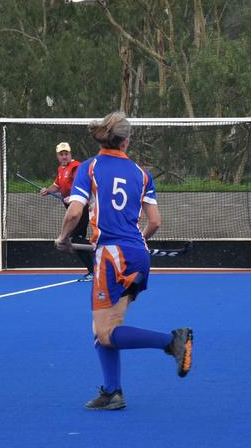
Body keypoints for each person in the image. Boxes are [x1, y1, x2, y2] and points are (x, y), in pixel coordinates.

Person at [55, 111, 192, 411]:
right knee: (104, 327)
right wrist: (136, 241)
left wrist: (64, 238)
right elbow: (154, 222)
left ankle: (172, 341)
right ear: (126, 141)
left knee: (105, 332)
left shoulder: (89, 167)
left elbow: (75, 212)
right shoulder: (142, 174)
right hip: (138, 255)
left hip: (110, 257)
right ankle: (112, 392)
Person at [43, 141, 94, 280]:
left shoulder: (76, 167)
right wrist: (47, 190)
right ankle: (95, 268)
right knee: (77, 239)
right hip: (71, 207)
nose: (64, 156)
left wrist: (73, 197)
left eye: (66, 154)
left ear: (70, 154)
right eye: (61, 154)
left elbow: (85, 183)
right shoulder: (61, 170)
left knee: (75, 239)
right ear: (58, 156)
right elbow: (57, 185)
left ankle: (96, 264)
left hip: (80, 207)